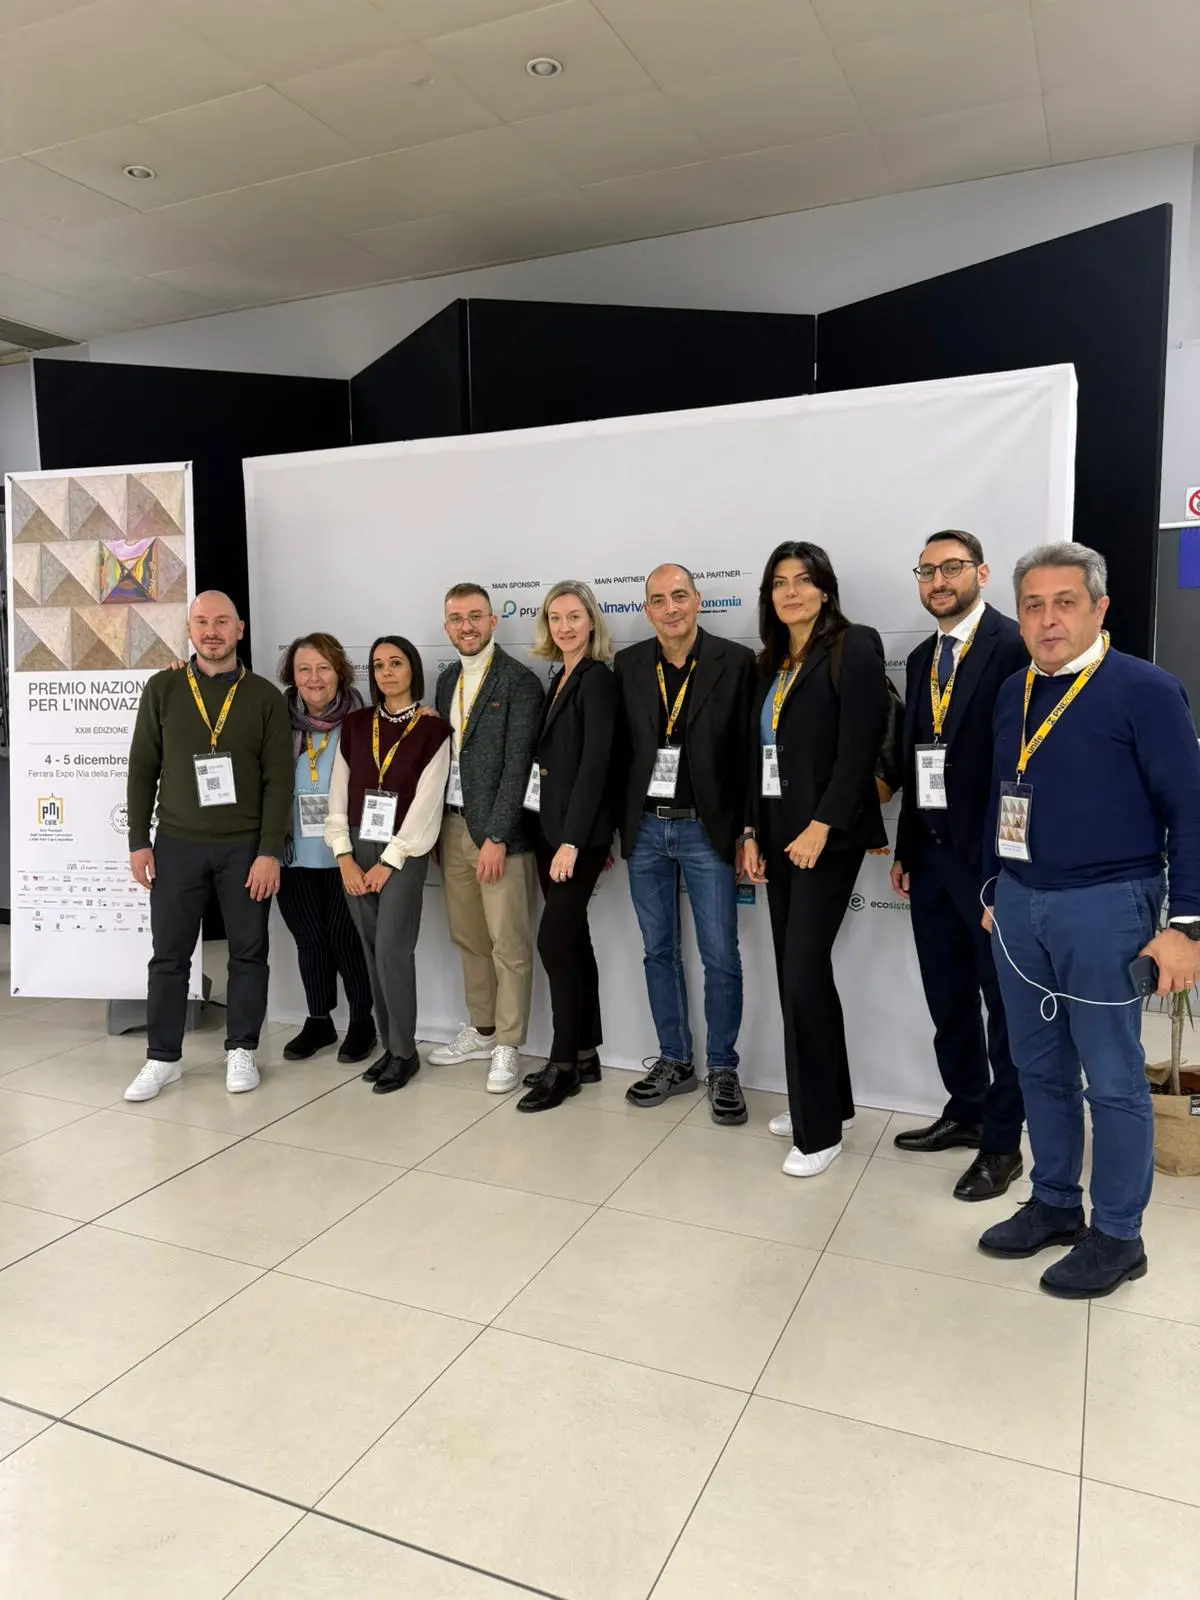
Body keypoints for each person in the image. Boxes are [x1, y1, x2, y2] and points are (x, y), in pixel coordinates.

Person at [978, 542, 1200, 1298]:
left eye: (1065, 603)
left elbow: (1190, 811)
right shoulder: (1013, 691)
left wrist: (1187, 926)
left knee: (1111, 1079)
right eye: (1033, 606)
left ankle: (1118, 1235)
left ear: (1099, 608)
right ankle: (1054, 1203)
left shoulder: (1146, 690)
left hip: (1107, 906)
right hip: (1019, 903)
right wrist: (993, 888)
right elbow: (1003, 793)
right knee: (1038, 1066)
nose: (1048, 620)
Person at [890, 531, 1029, 1199]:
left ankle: (1003, 1145)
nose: (939, 581)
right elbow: (918, 758)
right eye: (927, 571)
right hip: (931, 860)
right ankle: (967, 1109)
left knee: (1004, 1009)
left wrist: (1010, 869)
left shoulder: (1014, 646)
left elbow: (1023, 765)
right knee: (948, 998)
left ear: (982, 572)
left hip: (990, 866)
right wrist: (906, 847)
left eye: (951, 568)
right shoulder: (923, 657)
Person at [743, 543, 886, 1177]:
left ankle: (819, 1131)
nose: (791, 592)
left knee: (801, 972)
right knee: (797, 973)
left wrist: (821, 826)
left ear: (825, 589)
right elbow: (758, 757)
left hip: (825, 837)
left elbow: (858, 749)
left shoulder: (854, 646)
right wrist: (751, 831)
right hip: (777, 835)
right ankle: (830, 1101)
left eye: (803, 581)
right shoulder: (770, 663)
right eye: (780, 583)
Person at [124, 591, 293, 1102]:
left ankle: (241, 1049)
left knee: (249, 953)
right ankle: (163, 1058)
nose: (212, 631)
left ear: (240, 629)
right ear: (190, 629)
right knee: (169, 956)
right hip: (177, 844)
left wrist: (269, 851)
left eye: (222, 622)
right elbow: (142, 768)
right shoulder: (164, 687)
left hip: (244, 848)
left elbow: (278, 781)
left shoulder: (264, 696)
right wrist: (138, 840)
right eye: (202, 622)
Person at [613, 563, 755, 1124]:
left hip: (706, 829)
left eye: (679, 596)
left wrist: (747, 831)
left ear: (697, 600)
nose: (670, 608)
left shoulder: (735, 662)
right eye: (658, 600)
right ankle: (674, 1060)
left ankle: (722, 1067)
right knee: (658, 951)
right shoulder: (628, 664)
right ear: (646, 610)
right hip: (646, 829)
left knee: (720, 954)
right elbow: (619, 753)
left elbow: (749, 755)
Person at [428, 585, 543, 1093]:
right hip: (452, 826)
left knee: (508, 943)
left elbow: (519, 766)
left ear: (493, 621)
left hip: (500, 834)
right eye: (457, 618)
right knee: (469, 937)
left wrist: (497, 835)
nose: (466, 626)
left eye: (475, 616)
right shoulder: (446, 679)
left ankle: (508, 1044)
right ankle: (482, 1029)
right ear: (447, 626)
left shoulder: (519, 681)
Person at [325, 637, 451, 1094]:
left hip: (403, 851)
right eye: (378, 665)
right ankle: (389, 1045)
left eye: (396, 663)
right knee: (370, 948)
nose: (387, 673)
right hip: (356, 846)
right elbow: (338, 793)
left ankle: (405, 1052)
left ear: (413, 669)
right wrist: (343, 856)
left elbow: (426, 806)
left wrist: (389, 862)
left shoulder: (434, 731)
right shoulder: (356, 725)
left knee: (393, 950)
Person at [517, 582, 618, 1112]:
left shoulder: (596, 678)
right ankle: (584, 1053)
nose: (564, 627)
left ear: (591, 621)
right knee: (573, 940)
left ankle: (562, 1066)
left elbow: (597, 765)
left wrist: (575, 842)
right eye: (555, 618)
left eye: (574, 616)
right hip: (547, 828)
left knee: (554, 942)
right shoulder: (559, 676)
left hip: (572, 836)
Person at [275, 633, 376, 1065]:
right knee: (310, 940)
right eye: (304, 669)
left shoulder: (363, 720)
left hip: (344, 854)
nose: (314, 678)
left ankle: (362, 1021)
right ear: (292, 676)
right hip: (292, 852)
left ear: (340, 673)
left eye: (323, 668)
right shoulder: (275, 719)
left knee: (346, 939)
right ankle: (319, 1020)